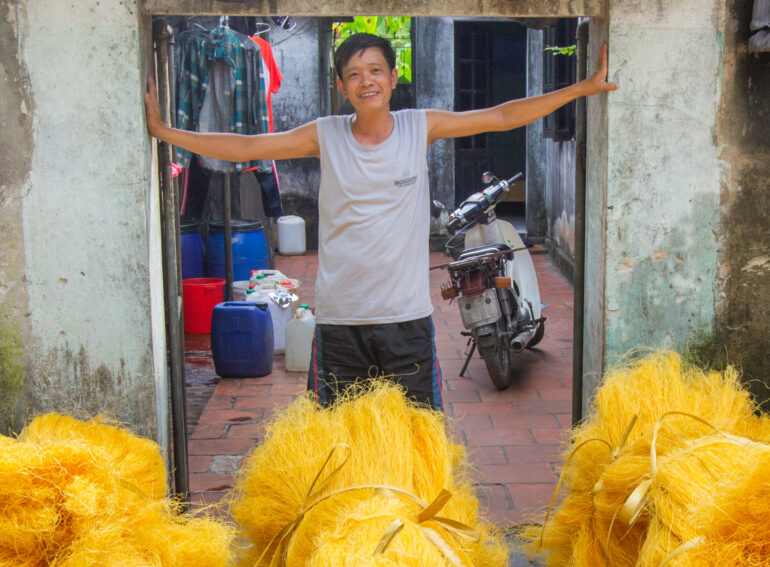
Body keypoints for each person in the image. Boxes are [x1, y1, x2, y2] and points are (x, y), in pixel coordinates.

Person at [145, 33, 618, 411]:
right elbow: (248, 146)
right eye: (353, 74)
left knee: (417, 445)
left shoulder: (419, 126)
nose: (365, 81)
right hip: (340, 321)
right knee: (335, 444)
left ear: (392, 77)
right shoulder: (326, 135)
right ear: (341, 86)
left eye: (375, 70)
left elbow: (501, 116)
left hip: (405, 319)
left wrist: (580, 89)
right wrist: (167, 133)